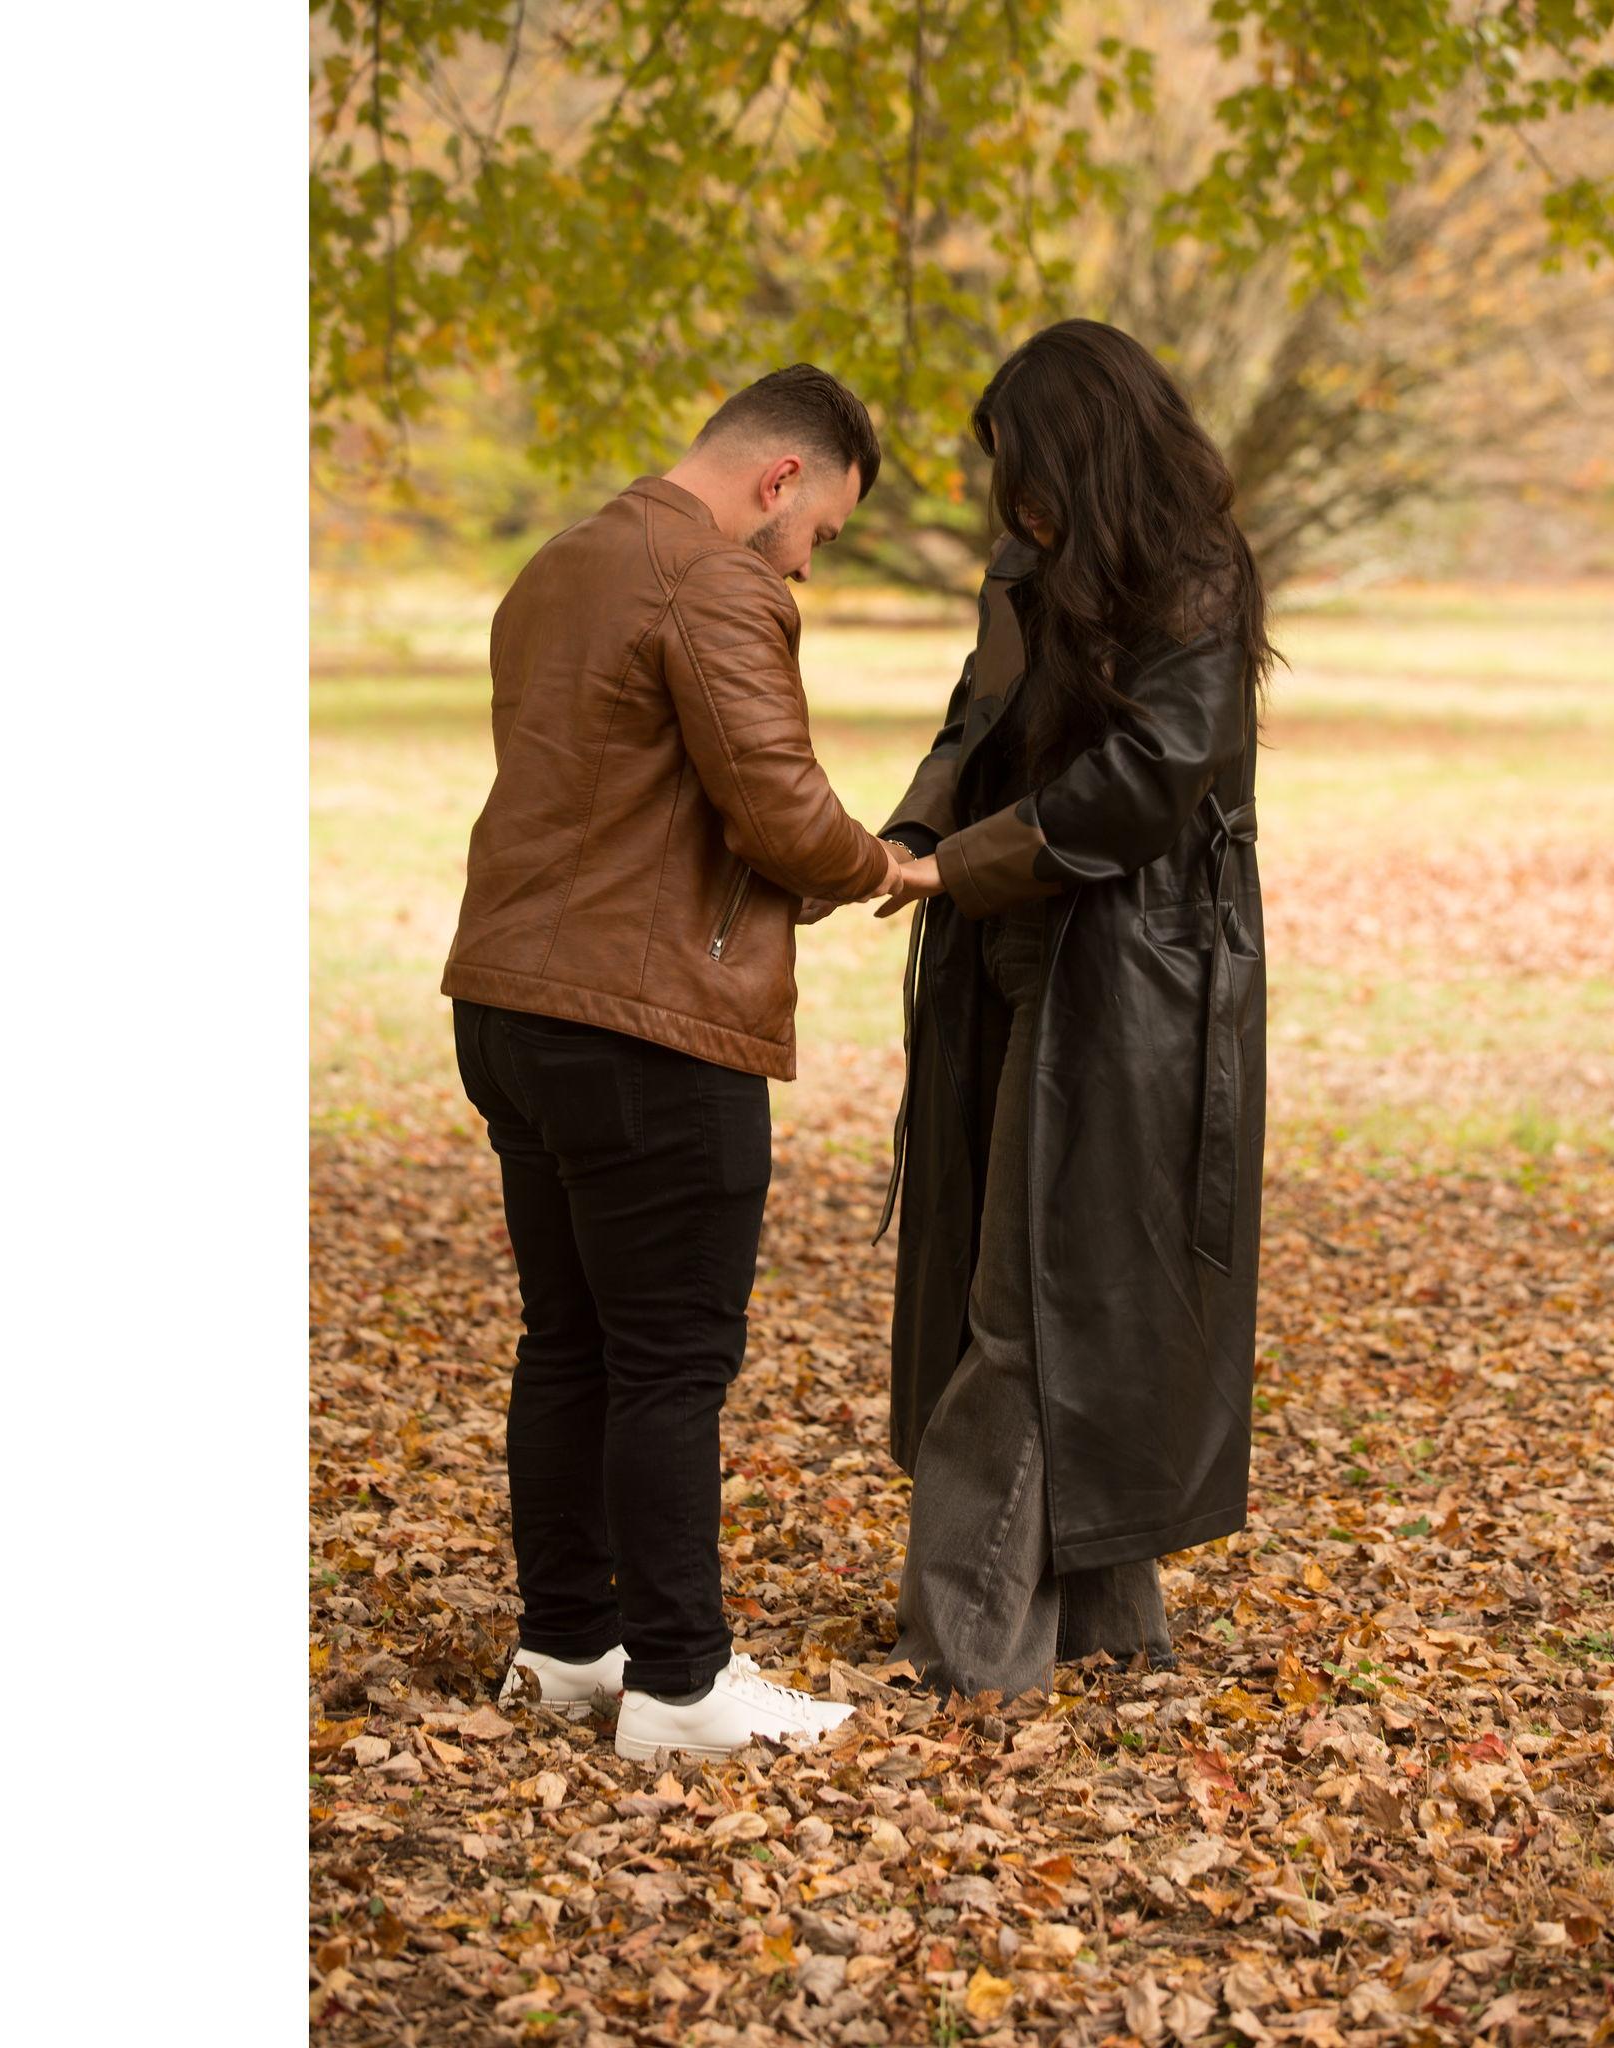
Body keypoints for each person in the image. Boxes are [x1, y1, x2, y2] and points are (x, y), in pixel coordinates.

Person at [440, 366, 923, 1760]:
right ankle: (680, 1685)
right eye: (820, 531)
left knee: (571, 1341)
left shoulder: (562, 561)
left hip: (513, 1006)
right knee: (670, 1361)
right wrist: (883, 868)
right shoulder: (715, 581)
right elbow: (776, 804)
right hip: (648, 1022)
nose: (808, 563)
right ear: (781, 479)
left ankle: (566, 1649)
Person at [868, 319, 1274, 1702]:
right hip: (1012, 949)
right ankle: (1104, 1624)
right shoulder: (1033, 567)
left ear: (1088, 455)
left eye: (1029, 472)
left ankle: (966, 1651)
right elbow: (973, 723)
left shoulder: (1194, 574)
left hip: (1138, 973)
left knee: (1039, 1298)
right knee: (1044, 1282)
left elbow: (1149, 778)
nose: (1015, 501)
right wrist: (908, 837)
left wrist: (955, 867)